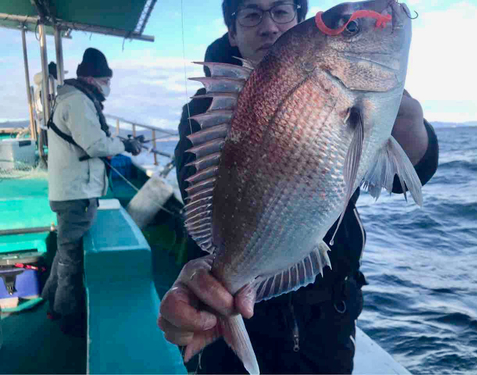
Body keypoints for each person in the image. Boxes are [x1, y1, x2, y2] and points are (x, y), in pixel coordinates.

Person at [159, 0, 439, 373]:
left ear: (299, 20)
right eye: (252, 14)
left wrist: (406, 125)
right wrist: (207, 288)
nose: (269, 26)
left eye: (281, 11)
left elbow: (411, 174)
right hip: (239, 327)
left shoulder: (353, 90)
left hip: (327, 320)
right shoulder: (203, 111)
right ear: (232, 29)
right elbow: (206, 209)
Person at [41, 48, 143, 336]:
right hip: (75, 194)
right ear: (92, 79)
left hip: (72, 191)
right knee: (70, 259)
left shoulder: (76, 99)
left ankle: (51, 300)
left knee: (65, 253)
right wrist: (125, 145)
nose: (107, 86)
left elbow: (93, 138)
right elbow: (95, 145)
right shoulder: (78, 102)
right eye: (105, 80)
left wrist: (120, 141)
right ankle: (66, 314)